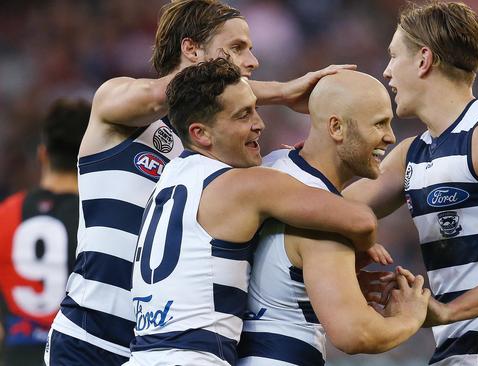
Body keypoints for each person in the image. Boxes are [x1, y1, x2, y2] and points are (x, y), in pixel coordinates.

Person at [45, 1, 356, 365]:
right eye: (237, 47)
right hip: (87, 337)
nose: (253, 61)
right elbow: (159, 95)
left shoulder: (213, 150)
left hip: (158, 348)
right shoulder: (118, 103)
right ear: (191, 49)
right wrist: (281, 91)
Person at [344, 2, 478, 365]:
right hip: (455, 347)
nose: (386, 72)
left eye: (394, 56)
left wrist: (448, 311)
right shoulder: (414, 152)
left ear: (424, 59)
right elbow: (337, 209)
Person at [125, 58, 379, 366]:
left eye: (255, 108)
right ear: (201, 134)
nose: (260, 123)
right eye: (244, 114)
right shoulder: (244, 185)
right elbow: (361, 220)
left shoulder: (168, 177)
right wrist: (363, 248)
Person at [236, 70, 431, 366]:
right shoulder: (328, 216)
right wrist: (409, 317)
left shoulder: (271, 166)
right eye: (379, 123)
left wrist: (331, 286)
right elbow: (355, 334)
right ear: (337, 127)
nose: (390, 136)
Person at [0, 99, 89, 366]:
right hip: (75, 356)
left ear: (42, 154)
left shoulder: (6, 213)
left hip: (15, 356)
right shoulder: (96, 220)